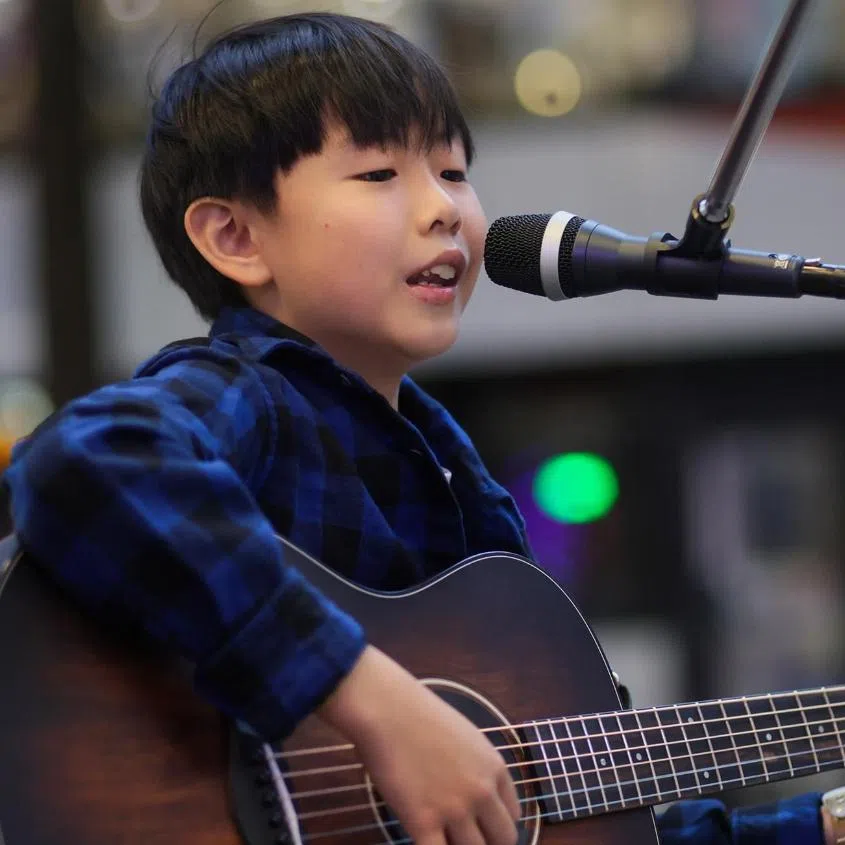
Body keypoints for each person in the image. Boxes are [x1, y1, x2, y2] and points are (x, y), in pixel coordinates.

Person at [0, 12, 836, 845]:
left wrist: (822, 824)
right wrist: (370, 697)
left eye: (452, 170)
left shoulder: (459, 487)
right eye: (377, 174)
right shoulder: (251, 394)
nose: (442, 208)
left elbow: (572, 821)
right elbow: (83, 460)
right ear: (236, 236)